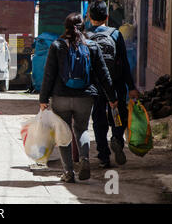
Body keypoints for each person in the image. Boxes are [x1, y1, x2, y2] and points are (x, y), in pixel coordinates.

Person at [39, 12, 117, 183]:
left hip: (60, 97)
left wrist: (43, 99)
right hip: (85, 97)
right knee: (81, 129)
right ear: (83, 26)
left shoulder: (57, 45)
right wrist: (112, 97)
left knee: (63, 133)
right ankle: (85, 160)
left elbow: (48, 75)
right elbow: (104, 74)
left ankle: (68, 172)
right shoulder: (92, 46)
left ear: (66, 26)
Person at [86, 1, 139, 168]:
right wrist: (131, 87)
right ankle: (117, 138)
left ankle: (103, 155)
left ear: (89, 17)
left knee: (99, 118)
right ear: (107, 17)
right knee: (117, 113)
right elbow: (123, 63)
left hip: (95, 85)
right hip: (115, 83)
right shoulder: (115, 34)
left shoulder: (85, 36)